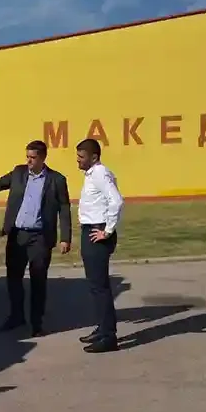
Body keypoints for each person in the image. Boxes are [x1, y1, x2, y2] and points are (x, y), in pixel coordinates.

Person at [0, 140, 71, 337]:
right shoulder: (19, 173)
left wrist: (65, 237)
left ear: (43, 158)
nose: (28, 161)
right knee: (13, 278)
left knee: (38, 280)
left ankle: (37, 324)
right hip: (17, 235)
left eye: (32, 158)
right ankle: (16, 316)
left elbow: (64, 208)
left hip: (40, 237)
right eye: (27, 157)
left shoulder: (56, 180)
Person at [75, 138, 124, 353]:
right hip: (91, 230)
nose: (78, 160)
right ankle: (103, 328)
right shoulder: (93, 174)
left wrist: (107, 230)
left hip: (98, 233)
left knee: (99, 287)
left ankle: (108, 337)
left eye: (81, 157)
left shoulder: (100, 173)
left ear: (94, 157)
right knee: (96, 286)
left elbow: (116, 201)